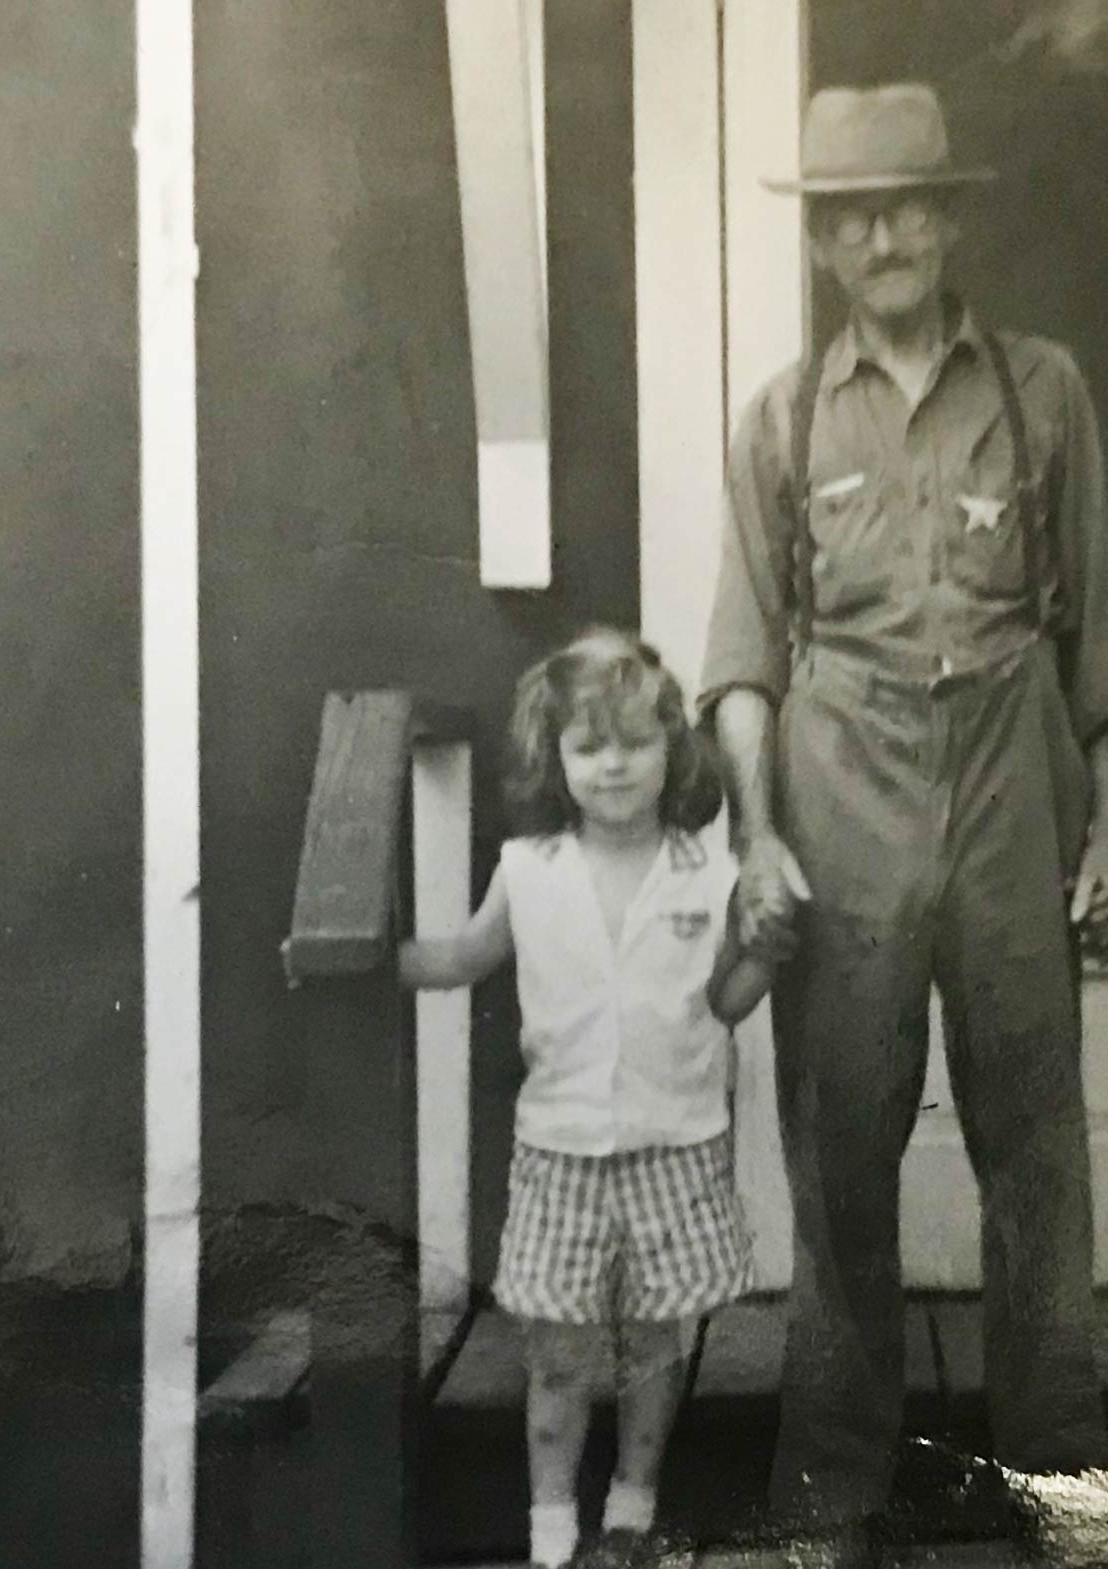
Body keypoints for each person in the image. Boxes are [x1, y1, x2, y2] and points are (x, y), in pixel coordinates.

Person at [700, 83, 1108, 1542]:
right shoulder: (777, 417)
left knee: (1035, 1139)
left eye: (908, 206)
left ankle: (1064, 1490)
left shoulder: (1043, 388)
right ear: (825, 243)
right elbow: (745, 658)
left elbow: (1102, 640)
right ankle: (828, 1493)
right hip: (843, 774)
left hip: (1013, 764)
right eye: (852, 215)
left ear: (949, 220)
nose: (884, 235)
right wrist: (762, 835)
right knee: (838, 1148)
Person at [400, 628, 777, 1569]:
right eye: (588, 746)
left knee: (655, 1347)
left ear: (671, 752)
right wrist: (379, 953)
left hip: (675, 1143)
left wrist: (769, 951)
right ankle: (550, 1533)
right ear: (555, 757)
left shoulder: (709, 871)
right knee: (559, 1358)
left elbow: (726, 1002)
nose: (614, 766)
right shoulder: (530, 869)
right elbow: (463, 956)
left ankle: (632, 1513)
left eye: (636, 743)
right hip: (560, 1154)